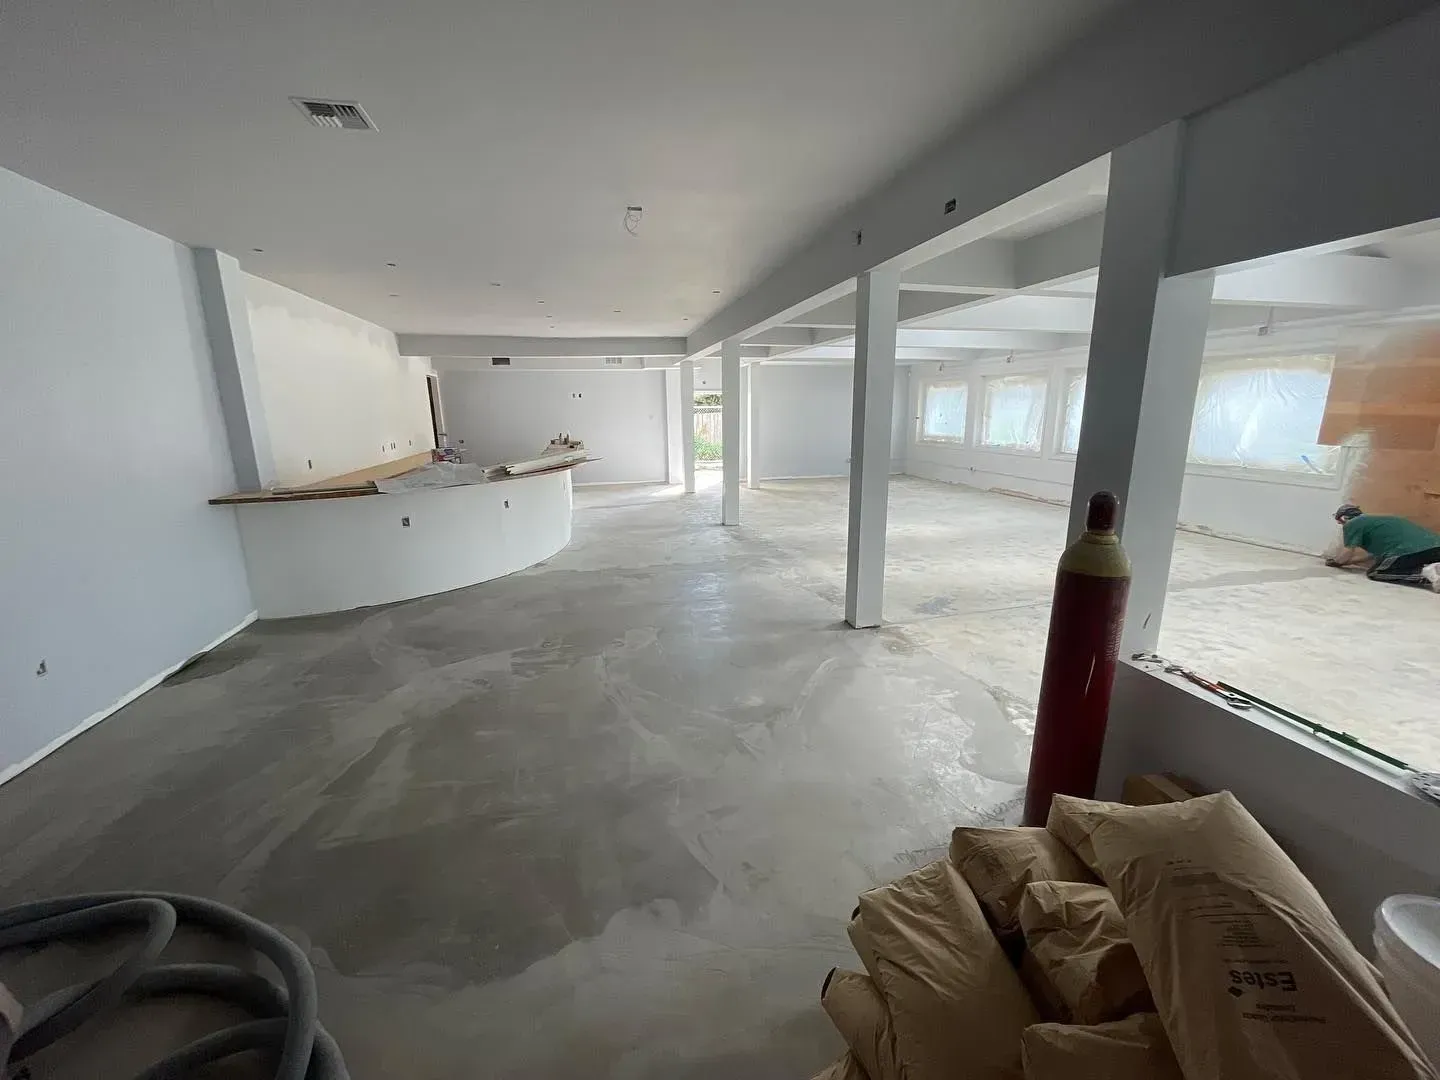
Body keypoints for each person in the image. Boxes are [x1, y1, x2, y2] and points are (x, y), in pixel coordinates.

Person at [1325, 504, 1440, 588]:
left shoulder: (1353, 523)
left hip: (1406, 550)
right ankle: (1435, 570)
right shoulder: (1378, 522)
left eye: (1340, 522)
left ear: (1344, 518)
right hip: (1435, 547)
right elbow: (1372, 555)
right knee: (1388, 563)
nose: (1342, 526)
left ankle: (1425, 573)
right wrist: (1349, 562)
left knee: (1376, 573)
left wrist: (1336, 562)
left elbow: (1347, 552)